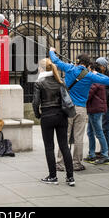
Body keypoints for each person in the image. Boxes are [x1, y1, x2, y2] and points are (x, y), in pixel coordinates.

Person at [49, 48, 109, 171]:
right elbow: (108, 81)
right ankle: (76, 163)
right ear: (88, 64)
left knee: (65, 136)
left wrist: (52, 50)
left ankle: (60, 163)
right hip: (81, 109)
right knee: (78, 137)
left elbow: (55, 61)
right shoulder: (89, 75)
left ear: (77, 62)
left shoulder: (69, 68)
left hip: (67, 108)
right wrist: (94, 73)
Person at [32, 58, 75, 186]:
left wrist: (37, 114)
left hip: (47, 116)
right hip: (61, 116)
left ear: (42, 68)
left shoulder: (39, 83)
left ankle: (53, 177)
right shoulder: (60, 82)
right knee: (64, 146)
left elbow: (35, 102)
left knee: (49, 148)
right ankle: (70, 177)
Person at [83, 62, 109, 165]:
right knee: (90, 132)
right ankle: (92, 154)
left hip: (96, 109)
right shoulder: (96, 78)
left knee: (99, 132)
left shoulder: (95, 79)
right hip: (93, 109)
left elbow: (89, 93)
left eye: (87, 68)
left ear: (91, 69)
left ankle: (105, 155)